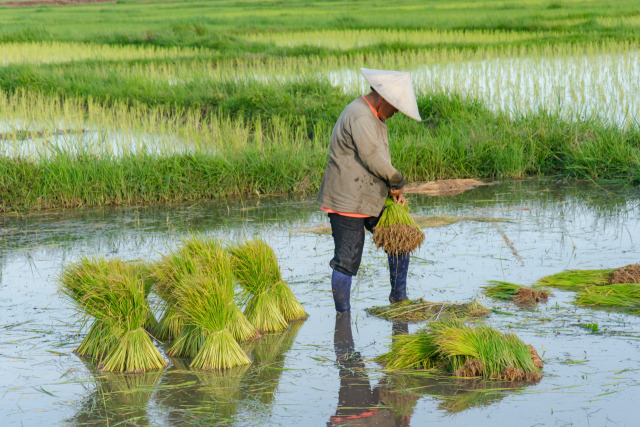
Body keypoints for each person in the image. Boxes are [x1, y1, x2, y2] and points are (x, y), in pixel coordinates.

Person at [318, 68, 422, 312]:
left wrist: (391, 192)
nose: (396, 112)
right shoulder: (361, 115)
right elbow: (373, 158)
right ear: (384, 99)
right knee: (347, 260)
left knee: (400, 237)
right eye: (395, 107)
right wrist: (397, 181)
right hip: (347, 201)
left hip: (369, 196)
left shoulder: (376, 116)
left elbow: (378, 161)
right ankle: (343, 317)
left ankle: (399, 298)